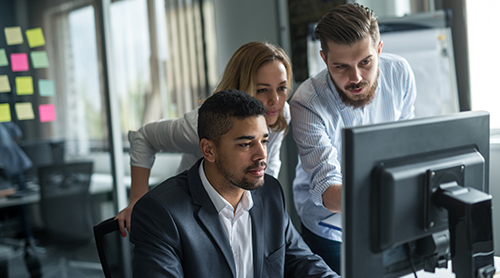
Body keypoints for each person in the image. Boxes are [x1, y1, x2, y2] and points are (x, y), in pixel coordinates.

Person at [130, 89, 338, 278]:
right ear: (208, 150)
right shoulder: (160, 213)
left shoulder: (269, 192)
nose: (261, 156)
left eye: (264, 141)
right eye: (246, 144)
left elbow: (303, 262)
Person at [290, 3, 417, 273]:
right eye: (341, 66)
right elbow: (327, 190)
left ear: (379, 49)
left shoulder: (400, 73)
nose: (356, 77)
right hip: (330, 227)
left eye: (366, 62)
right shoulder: (306, 103)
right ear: (324, 59)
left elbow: (406, 146)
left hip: (388, 215)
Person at [117, 41, 293, 236]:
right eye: (262, 90)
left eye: (282, 88)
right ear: (241, 87)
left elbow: (270, 165)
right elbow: (144, 137)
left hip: (235, 208)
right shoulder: (201, 125)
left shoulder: (279, 113)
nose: (275, 100)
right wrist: (137, 201)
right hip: (190, 211)